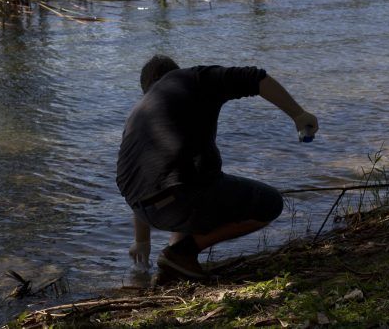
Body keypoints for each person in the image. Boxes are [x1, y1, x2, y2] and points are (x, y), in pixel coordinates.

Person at [116, 55, 319, 279]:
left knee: (187, 180)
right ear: (173, 73)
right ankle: (181, 253)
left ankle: (176, 261)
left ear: (148, 87)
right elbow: (255, 78)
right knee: (270, 203)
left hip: (146, 207)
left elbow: (146, 176)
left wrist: (142, 241)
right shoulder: (192, 79)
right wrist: (298, 114)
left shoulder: (137, 114)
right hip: (179, 197)